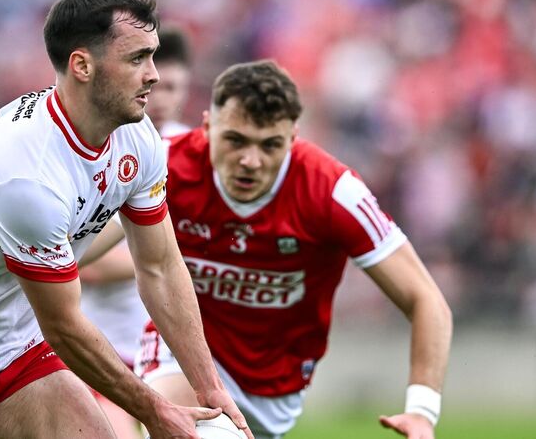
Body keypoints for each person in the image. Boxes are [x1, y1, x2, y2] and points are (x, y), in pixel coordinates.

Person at [0, 0, 253, 438]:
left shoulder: (137, 138)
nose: (154, 75)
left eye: (153, 56)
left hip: (17, 353)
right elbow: (64, 325)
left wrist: (209, 388)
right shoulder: (25, 175)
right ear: (82, 65)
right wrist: (156, 410)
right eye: (137, 59)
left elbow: (160, 267)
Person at [112, 60, 450, 439]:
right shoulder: (163, 162)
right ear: (207, 127)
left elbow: (425, 298)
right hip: (182, 352)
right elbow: (89, 240)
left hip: (273, 389)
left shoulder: (333, 192)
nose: (250, 161)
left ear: (292, 139)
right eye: (235, 140)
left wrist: (422, 411)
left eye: (270, 145)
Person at [78, 26, 194, 439]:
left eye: (172, 88)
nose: (161, 99)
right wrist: (166, 257)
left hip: (164, 354)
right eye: (155, 87)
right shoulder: (104, 151)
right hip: (103, 348)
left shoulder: (196, 156)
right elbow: (84, 264)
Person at [145, 27, 192, 138]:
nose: (159, 100)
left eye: (169, 88)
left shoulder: (192, 145)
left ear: (185, 90)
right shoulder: (111, 141)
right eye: (149, 87)